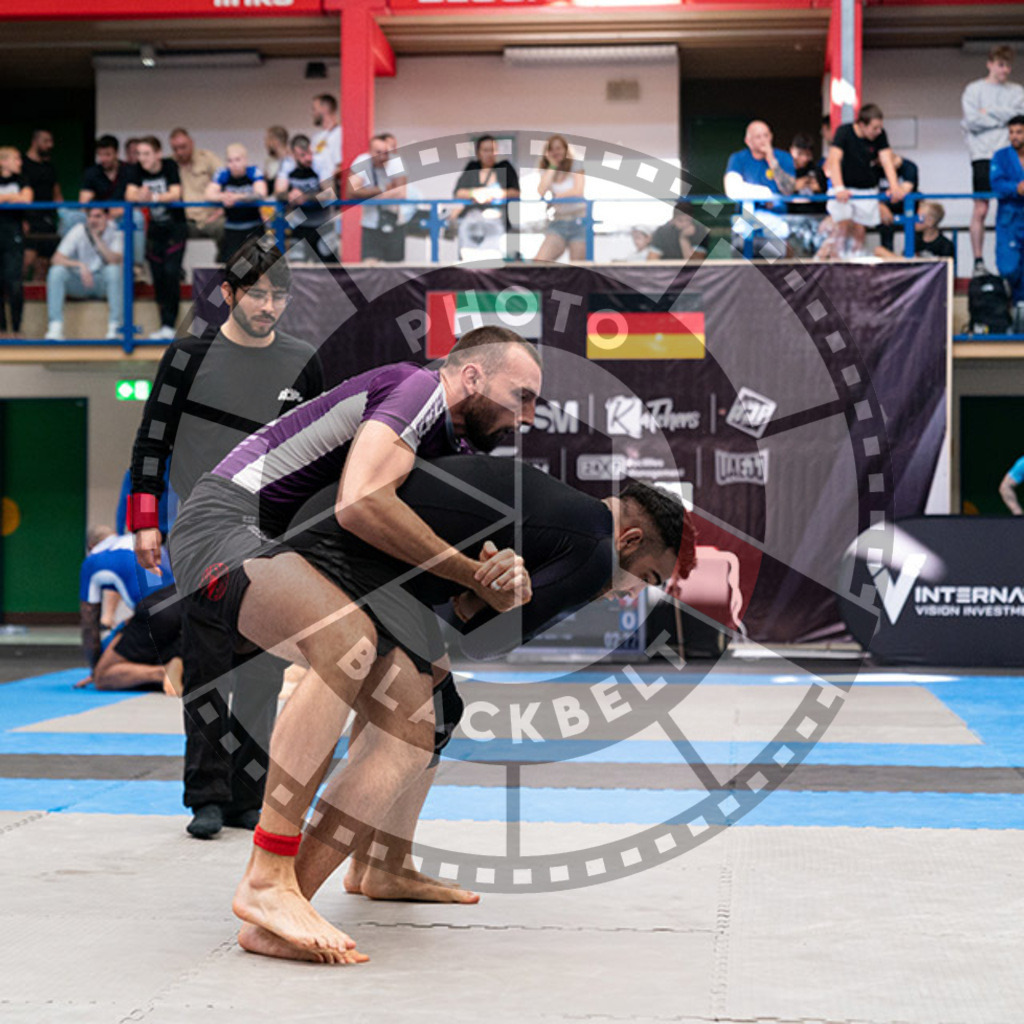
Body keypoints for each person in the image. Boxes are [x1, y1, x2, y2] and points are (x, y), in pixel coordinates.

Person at [225, 457, 695, 962]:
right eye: (645, 577)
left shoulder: (572, 515)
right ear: (629, 541)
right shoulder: (596, 552)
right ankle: (283, 899)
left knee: (440, 709)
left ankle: (385, 865)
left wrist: (477, 597)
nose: (631, 592)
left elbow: (467, 623)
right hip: (336, 557)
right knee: (411, 732)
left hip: (350, 553)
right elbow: (485, 642)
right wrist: (481, 597)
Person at [163, 332, 542, 958]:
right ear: (472, 376)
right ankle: (266, 874)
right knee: (344, 641)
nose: (526, 416)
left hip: (294, 551)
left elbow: (410, 560)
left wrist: (491, 581)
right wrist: (470, 573)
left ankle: (304, 898)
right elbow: (362, 504)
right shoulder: (418, 388)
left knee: (417, 717)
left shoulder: (440, 443)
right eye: (520, 396)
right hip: (225, 524)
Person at [128, 237, 324, 840]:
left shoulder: (303, 361)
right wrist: (144, 520)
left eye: (279, 296)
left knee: (265, 670)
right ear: (230, 294)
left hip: (276, 536)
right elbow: (152, 443)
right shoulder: (187, 357)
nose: (269, 306)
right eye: (258, 294)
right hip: (203, 533)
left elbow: (321, 451)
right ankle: (206, 795)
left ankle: (248, 792)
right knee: (211, 667)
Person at [962, 45, 1024, 277]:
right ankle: (978, 260)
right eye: (1000, 65)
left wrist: (990, 111)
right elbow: (972, 121)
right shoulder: (973, 90)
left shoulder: (1017, 90)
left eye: (1008, 66)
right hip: (982, 155)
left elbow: (1019, 118)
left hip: (1011, 155)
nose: (1005, 70)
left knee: (1015, 202)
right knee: (981, 208)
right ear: (989, 64)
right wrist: (1003, 116)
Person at [79, 524, 172, 673]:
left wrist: (95, 667)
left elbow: (89, 624)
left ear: (91, 546)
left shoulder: (93, 560)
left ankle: (160, 674)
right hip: (187, 605)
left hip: (156, 612)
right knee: (130, 625)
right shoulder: (138, 540)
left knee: (105, 670)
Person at [825, 104, 911, 257]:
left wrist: (894, 186)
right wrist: (839, 188)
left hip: (867, 190)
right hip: (845, 189)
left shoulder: (880, 135)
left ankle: (853, 266)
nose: (878, 131)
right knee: (842, 227)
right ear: (862, 125)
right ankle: (834, 262)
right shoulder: (844, 132)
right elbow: (834, 160)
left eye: (880, 128)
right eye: (874, 128)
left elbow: (886, 160)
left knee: (860, 230)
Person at [126, 137, 186, 341]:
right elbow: (129, 194)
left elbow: (175, 193)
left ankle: (170, 324)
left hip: (175, 228)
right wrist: (138, 194)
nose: (142, 158)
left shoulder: (169, 166)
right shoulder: (136, 170)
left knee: (171, 273)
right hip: (154, 231)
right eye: (139, 154)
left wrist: (151, 197)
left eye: (146, 154)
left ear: (158, 154)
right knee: (158, 277)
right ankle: (164, 325)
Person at [76, 584, 183, 696]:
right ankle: (172, 670)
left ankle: (162, 672)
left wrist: (98, 670)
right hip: (180, 606)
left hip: (162, 607)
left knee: (103, 676)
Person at [44, 206, 124, 341]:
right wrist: (80, 265)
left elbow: (114, 260)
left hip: (103, 283)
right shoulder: (79, 230)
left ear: (107, 217)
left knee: (114, 271)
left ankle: (115, 327)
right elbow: (56, 259)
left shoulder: (116, 231)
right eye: (90, 217)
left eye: (98, 216)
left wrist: (96, 238)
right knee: (56, 272)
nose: (93, 220)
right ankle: (55, 327)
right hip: (81, 281)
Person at [723, 120, 796, 258]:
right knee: (744, 268)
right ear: (748, 141)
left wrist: (772, 160)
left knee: (776, 269)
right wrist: (764, 194)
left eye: (766, 135)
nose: (763, 140)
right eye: (758, 137)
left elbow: (789, 190)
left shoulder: (784, 157)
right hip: (745, 226)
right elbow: (731, 189)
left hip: (776, 227)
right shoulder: (738, 158)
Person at [453, 135, 520, 260]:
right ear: (478, 153)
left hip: (497, 221)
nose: (489, 154)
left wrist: (495, 193)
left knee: (492, 256)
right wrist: (475, 193)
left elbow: (515, 192)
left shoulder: (506, 167)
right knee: (469, 256)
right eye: (485, 150)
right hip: (471, 222)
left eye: (492, 150)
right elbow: (458, 192)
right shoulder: (472, 167)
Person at [274, 134, 336, 263]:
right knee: (297, 264)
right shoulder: (287, 165)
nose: (308, 158)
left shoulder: (320, 161)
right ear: (293, 155)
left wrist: (305, 197)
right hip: (298, 222)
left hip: (323, 222)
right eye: (302, 155)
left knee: (329, 265)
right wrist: (290, 195)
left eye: (309, 153)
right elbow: (278, 193)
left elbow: (330, 193)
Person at [347, 135, 406, 263]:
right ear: (370, 152)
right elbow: (351, 192)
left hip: (395, 222)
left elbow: (401, 192)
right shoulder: (362, 161)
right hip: (370, 223)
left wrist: (369, 195)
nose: (382, 157)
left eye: (385, 153)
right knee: (369, 266)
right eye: (378, 153)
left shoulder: (395, 161)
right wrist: (382, 190)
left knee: (395, 270)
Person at [207, 144, 267, 263]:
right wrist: (222, 197)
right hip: (231, 228)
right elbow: (208, 194)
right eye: (230, 161)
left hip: (255, 227)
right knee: (229, 265)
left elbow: (261, 194)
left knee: (262, 263)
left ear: (245, 160)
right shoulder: (223, 173)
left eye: (237, 160)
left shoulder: (253, 171)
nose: (234, 164)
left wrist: (236, 197)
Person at [169, 128, 224, 253]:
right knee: (164, 231)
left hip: (210, 218)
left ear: (192, 143)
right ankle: (173, 271)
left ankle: (228, 268)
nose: (180, 152)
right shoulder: (169, 164)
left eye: (183, 147)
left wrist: (221, 211)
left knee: (229, 228)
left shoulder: (207, 158)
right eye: (175, 149)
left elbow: (227, 183)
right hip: (184, 220)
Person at [535, 134, 587, 263]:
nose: (555, 152)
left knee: (578, 269)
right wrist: (552, 165)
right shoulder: (547, 170)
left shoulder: (576, 164)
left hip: (579, 222)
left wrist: (557, 198)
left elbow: (578, 191)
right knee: (540, 262)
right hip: (558, 222)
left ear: (565, 149)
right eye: (551, 149)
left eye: (558, 148)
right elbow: (541, 191)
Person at [21, 129, 63, 282]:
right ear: (35, 141)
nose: (49, 145)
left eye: (51, 141)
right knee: (26, 261)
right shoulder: (22, 165)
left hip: (47, 219)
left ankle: (39, 304)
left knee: (44, 264)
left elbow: (57, 194)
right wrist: (21, 219)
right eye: (46, 141)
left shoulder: (49, 167)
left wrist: (63, 215)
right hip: (28, 219)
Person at [991, 115, 1024, 307]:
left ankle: (1020, 311)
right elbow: (996, 184)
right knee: (1008, 268)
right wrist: (1016, 188)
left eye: (1019, 132)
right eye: (1011, 132)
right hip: (1009, 220)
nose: (1014, 136)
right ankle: (1015, 299)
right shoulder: (1001, 156)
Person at [0, 147, 32, 339]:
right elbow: (19, 198)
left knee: (14, 284)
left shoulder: (22, 179)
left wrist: (4, 199)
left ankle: (17, 329)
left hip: (13, 234)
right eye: (16, 158)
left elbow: (27, 199)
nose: (20, 162)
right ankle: (2, 330)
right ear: (3, 162)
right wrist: (13, 198)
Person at [311, 94, 342, 186]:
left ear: (324, 109)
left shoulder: (340, 133)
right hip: (316, 183)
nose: (313, 113)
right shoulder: (317, 137)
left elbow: (341, 164)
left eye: (314, 109)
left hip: (333, 184)